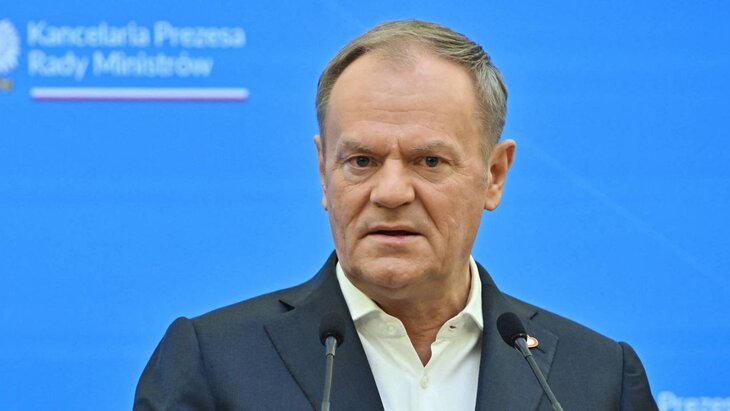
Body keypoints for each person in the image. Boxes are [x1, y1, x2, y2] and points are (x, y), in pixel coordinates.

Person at [134, 20, 658, 410]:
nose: (389, 192)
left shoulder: (598, 378)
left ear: (494, 174)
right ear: (323, 172)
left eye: (429, 161)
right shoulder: (213, 363)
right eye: (361, 161)